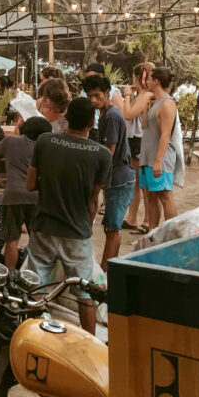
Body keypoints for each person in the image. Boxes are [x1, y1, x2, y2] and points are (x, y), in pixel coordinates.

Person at [25, 97, 111, 335]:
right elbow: (93, 202)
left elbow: (30, 185)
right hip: (77, 232)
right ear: (91, 123)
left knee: (37, 291)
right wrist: (86, 226)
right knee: (85, 294)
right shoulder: (102, 155)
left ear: (66, 119)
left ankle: (33, 340)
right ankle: (90, 348)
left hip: (43, 227)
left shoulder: (44, 141)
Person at [83, 75, 135, 271]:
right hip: (115, 177)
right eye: (89, 97)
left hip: (119, 178)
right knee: (109, 228)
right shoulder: (105, 114)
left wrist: (98, 179)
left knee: (113, 229)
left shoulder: (112, 116)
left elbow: (109, 151)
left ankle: (105, 273)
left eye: (97, 95)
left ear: (107, 93)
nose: (93, 100)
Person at [0, 116, 52, 267]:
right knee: (37, 240)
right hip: (37, 198)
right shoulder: (46, 147)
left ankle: (10, 276)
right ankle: (35, 276)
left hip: (12, 197)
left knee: (12, 240)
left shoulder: (11, 141)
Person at [139, 66, 183, 229]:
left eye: (149, 78)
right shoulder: (156, 103)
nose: (147, 82)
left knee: (164, 195)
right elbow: (144, 126)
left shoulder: (167, 103)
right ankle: (153, 231)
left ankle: (172, 232)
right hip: (147, 156)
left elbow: (166, 134)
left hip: (160, 158)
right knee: (150, 195)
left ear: (156, 81)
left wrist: (159, 161)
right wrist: (146, 107)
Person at [120, 62, 155, 232]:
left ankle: (148, 220)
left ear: (137, 77)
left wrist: (126, 95)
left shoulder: (146, 95)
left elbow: (128, 114)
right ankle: (132, 218)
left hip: (140, 141)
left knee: (143, 184)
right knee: (135, 182)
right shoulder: (141, 95)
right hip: (133, 139)